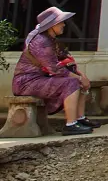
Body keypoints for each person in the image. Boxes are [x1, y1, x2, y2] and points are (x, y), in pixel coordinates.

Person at [12, 7, 98, 135]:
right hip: (26, 82)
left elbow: (64, 59)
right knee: (72, 83)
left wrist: (80, 75)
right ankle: (71, 124)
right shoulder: (41, 41)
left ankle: (79, 118)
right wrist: (78, 78)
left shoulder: (50, 40)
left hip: (39, 79)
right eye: (61, 22)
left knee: (77, 81)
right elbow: (54, 68)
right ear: (51, 25)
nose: (63, 24)